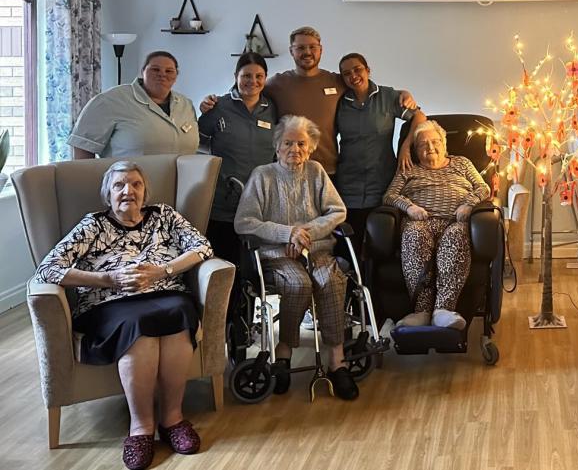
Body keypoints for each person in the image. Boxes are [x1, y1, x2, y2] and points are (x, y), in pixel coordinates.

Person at [32, 161, 214, 470]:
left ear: (145, 192)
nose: (128, 190)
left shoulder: (164, 217)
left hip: (166, 293)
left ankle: (173, 419)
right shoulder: (93, 225)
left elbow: (203, 248)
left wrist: (163, 270)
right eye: (119, 186)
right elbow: (49, 269)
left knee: (179, 314)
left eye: (135, 184)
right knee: (139, 325)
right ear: (107, 194)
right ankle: (140, 428)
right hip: (110, 303)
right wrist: (108, 279)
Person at [233, 115, 357, 400]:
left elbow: (338, 211)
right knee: (298, 284)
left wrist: (306, 234)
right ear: (277, 146)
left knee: (330, 280)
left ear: (311, 147)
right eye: (288, 143)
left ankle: (337, 361)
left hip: (316, 250)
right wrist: (287, 234)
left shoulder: (315, 172)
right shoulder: (262, 175)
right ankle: (284, 352)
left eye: (301, 143)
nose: (295, 149)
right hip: (276, 254)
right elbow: (244, 222)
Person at [200, 26, 418, 175]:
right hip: (289, 170)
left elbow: (363, 85)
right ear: (291, 52)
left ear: (321, 50)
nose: (307, 52)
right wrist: (215, 100)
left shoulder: (337, 80)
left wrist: (402, 93)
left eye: (312, 47)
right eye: (301, 47)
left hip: (329, 171)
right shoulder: (277, 83)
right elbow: (248, 88)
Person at [382, 120, 491, 330]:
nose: (430, 148)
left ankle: (443, 310)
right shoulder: (409, 170)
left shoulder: (462, 163)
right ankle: (421, 312)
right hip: (421, 221)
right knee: (414, 234)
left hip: (455, 220)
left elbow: (482, 187)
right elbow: (390, 195)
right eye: (423, 145)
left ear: (444, 144)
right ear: (415, 150)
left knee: (457, 236)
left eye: (434, 142)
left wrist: (468, 205)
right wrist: (409, 207)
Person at [335, 52, 427, 255]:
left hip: (382, 180)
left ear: (368, 70)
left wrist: (405, 146)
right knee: (349, 245)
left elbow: (419, 116)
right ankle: (352, 285)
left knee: (381, 242)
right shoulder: (339, 101)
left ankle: (374, 285)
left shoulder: (387, 96)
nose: (353, 76)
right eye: (346, 73)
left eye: (357, 69)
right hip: (348, 184)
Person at [197, 52, 278, 261]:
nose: (253, 81)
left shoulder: (272, 110)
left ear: (265, 78)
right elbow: (196, 145)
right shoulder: (218, 107)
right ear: (236, 76)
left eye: (259, 76)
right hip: (224, 201)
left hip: (261, 200)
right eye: (246, 76)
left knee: (256, 263)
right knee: (224, 261)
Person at [70, 51, 198, 159]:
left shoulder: (186, 105)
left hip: (182, 186)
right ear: (143, 71)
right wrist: (89, 181)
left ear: (176, 76)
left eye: (169, 71)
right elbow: (83, 146)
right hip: (128, 187)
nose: (162, 74)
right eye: (155, 69)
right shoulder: (110, 101)